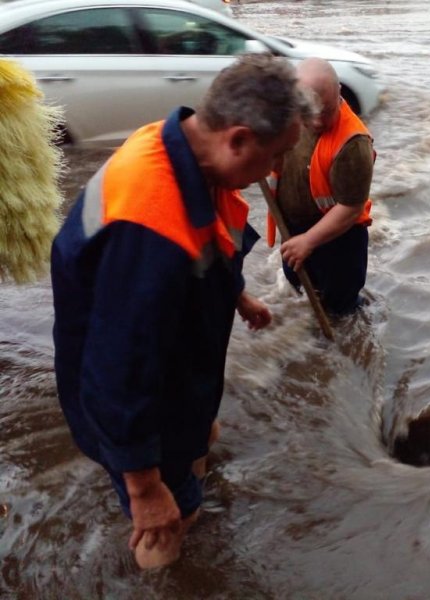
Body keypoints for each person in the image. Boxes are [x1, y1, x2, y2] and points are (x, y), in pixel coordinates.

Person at [50, 54, 312, 569]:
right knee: (172, 520)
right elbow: (118, 372)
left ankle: (186, 472)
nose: (278, 169)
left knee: (199, 444)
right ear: (237, 139)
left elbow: (206, 243)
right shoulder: (150, 230)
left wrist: (237, 295)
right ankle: (166, 569)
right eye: (277, 155)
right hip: (138, 395)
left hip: (177, 369)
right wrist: (146, 490)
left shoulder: (180, 144)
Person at [267, 57, 375, 316]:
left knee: (340, 309)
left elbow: (351, 207)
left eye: (325, 112)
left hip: (338, 241)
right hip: (294, 232)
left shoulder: (353, 144)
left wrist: (309, 241)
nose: (316, 123)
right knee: (300, 290)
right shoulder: (291, 113)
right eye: (309, 114)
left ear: (339, 92)